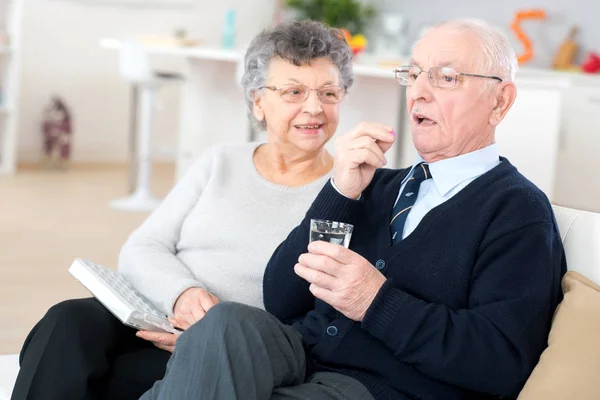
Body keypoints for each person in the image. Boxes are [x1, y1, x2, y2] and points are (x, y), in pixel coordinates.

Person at [138, 19, 567, 400]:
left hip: (378, 385)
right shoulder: (378, 183)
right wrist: (338, 192)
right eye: (413, 74)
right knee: (224, 324)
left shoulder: (517, 210)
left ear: (500, 101)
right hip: (299, 354)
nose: (417, 91)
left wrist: (375, 301)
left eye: (446, 78)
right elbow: (281, 297)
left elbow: (503, 363)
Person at [11, 20, 354, 400]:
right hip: (162, 315)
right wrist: (182, 295)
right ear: (258, 101)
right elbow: (143, 247)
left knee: (112, 374)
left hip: (233, 348)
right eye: (294, 91)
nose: (314, 108)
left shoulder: (346, 191)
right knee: (67, 321)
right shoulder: (219, 162)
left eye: (328, 92)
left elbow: (323, 313)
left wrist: (208, 337)